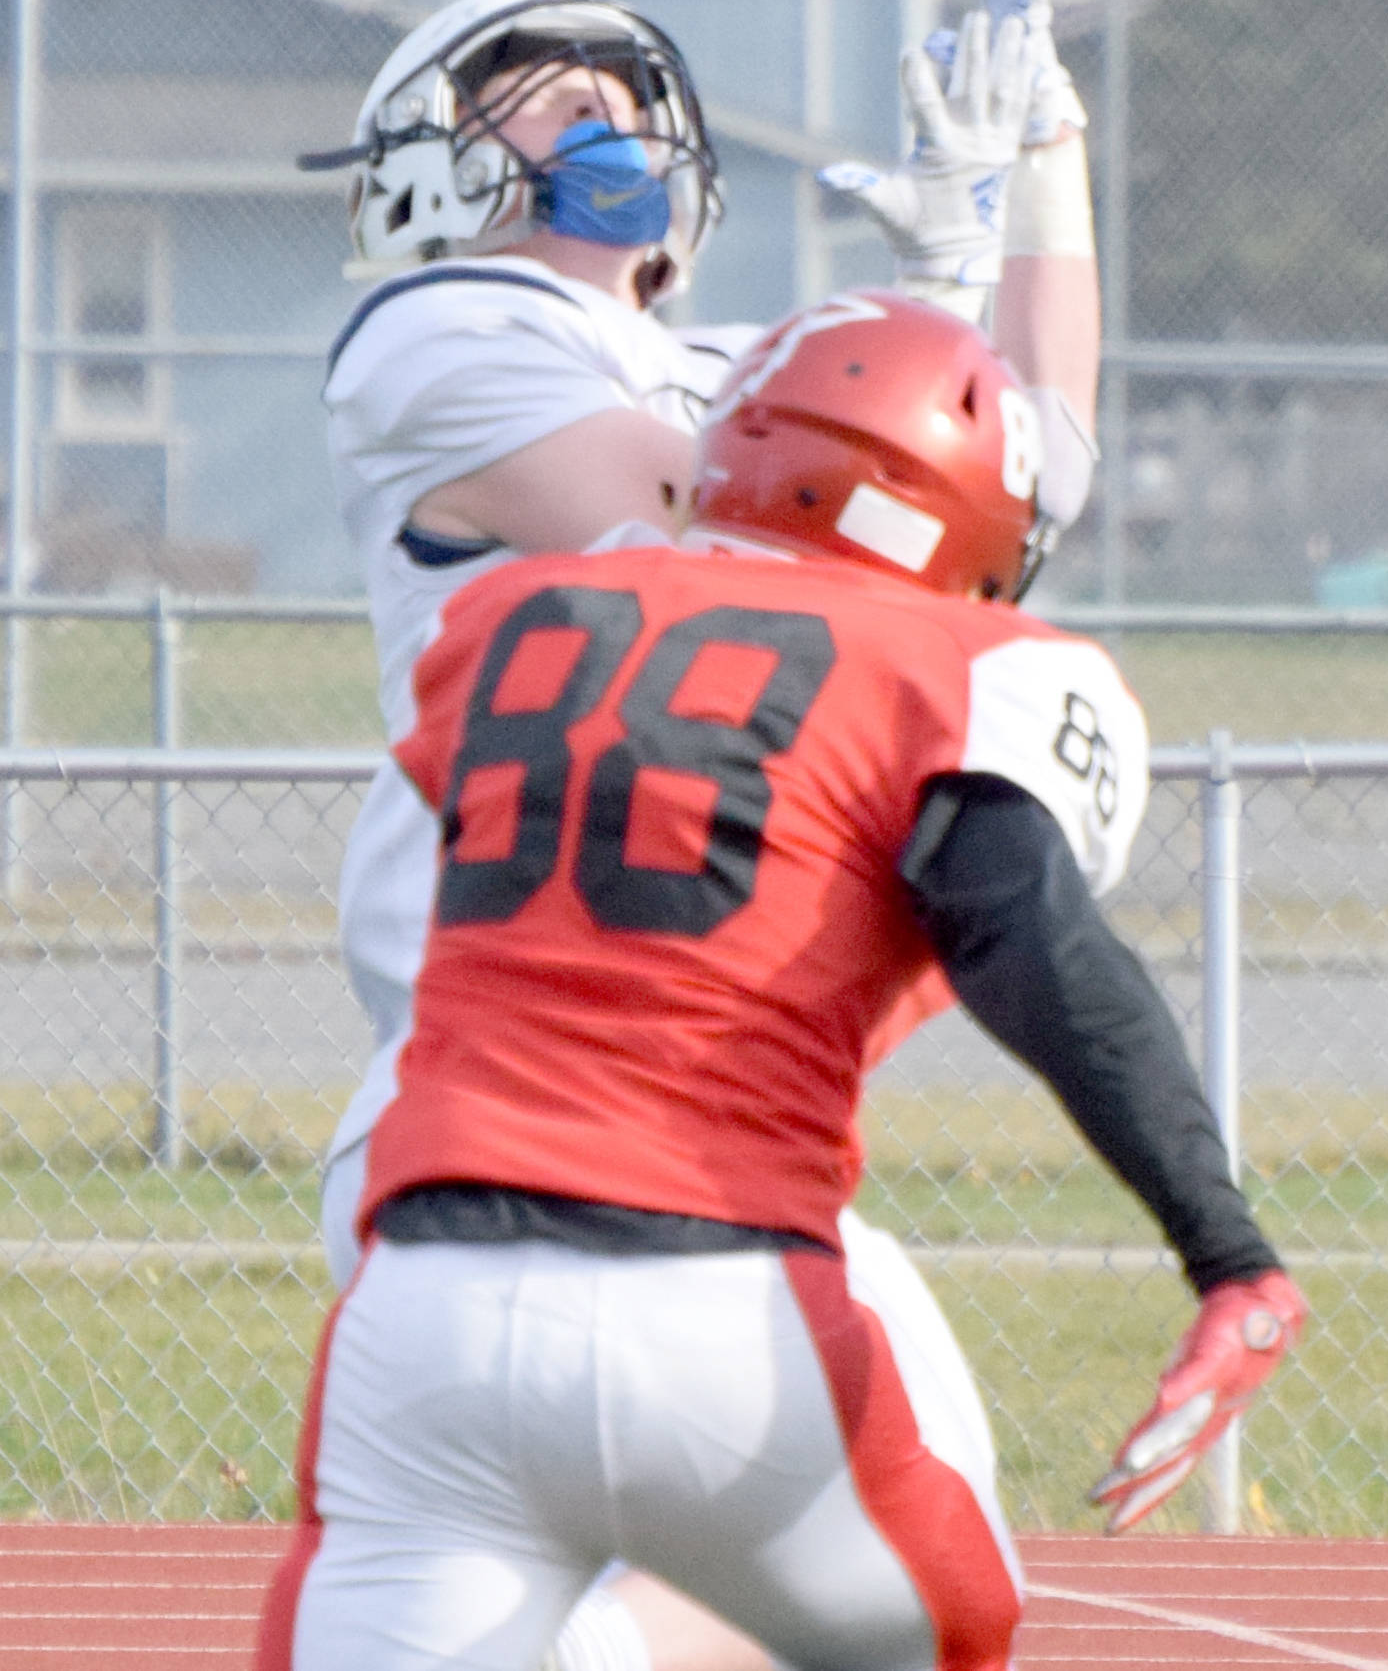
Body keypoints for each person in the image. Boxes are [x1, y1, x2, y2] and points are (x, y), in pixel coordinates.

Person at [300, 0, 1097, 1671]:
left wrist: (1038, 144)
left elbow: (1036, 467)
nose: (605, 108)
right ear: (424, 160)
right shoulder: (441, 336)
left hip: (703, 1131)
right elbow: (704, 516)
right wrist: (929, 293)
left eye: (626, 87)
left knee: (923, 1587)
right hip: (493, 1105)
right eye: (540, 83)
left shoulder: (731, 370)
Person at [256, 294, 1304, 1671]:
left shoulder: (509, 615)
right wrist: (1225, 1252)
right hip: (715, 1299)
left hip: (422, 1298)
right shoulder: (960, 662)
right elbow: (1026, 935)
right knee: (951, 1619)